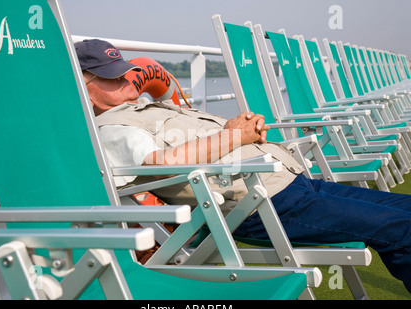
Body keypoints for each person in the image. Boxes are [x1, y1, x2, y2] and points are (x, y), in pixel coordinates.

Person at [75, 39, 411, 293]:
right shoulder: (112, 130)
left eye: (123, 73)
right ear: (85, 88)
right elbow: (164, 162)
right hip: (259, 204)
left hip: (288, 180)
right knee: (399, 229)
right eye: (110, 78)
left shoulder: (147, 108)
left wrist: (239, 128)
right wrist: (236, 137)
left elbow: (193, 144)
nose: (125, 81)